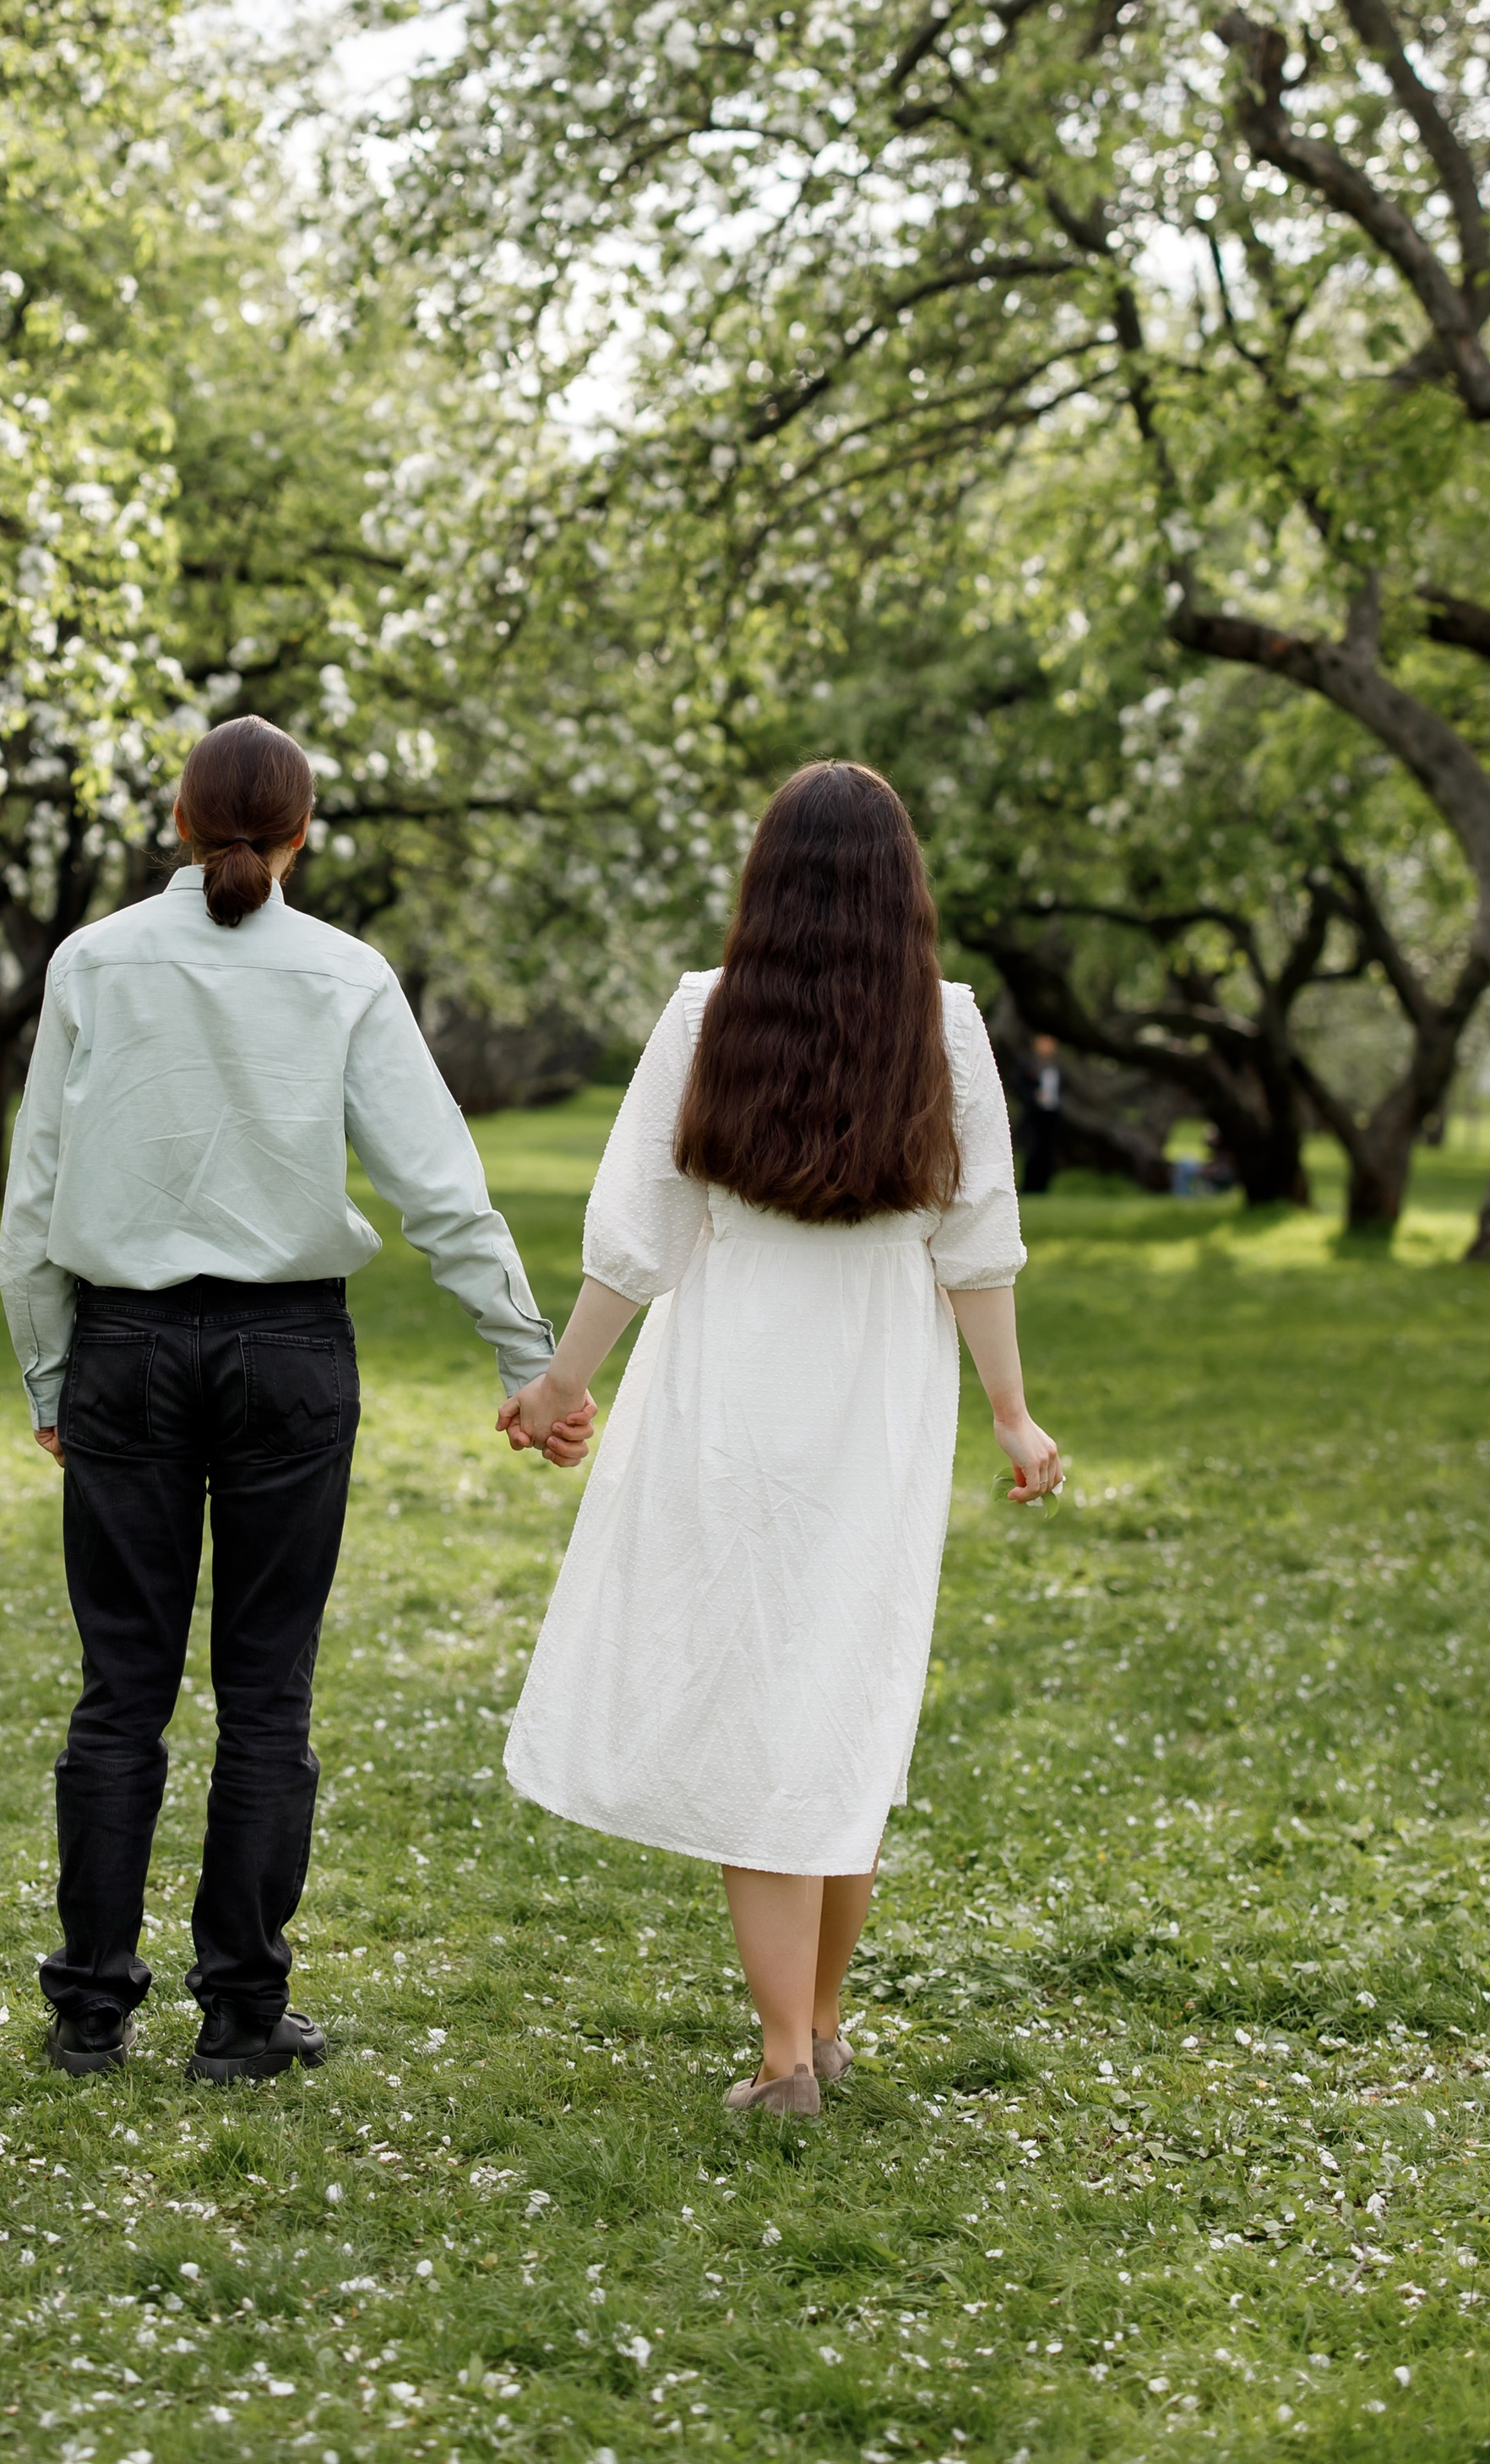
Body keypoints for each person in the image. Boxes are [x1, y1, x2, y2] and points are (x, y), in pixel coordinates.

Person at [0, 714, 556, 2085]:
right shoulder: (344, 973)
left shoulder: (92, 961)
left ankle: (90, 2012)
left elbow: (36, 1193)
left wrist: (51, 1368)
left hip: (126, 1348)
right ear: (303, 833)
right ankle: (243, 2014)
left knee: (120, 1690)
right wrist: (524, 1355)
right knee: (266, 1695)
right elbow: (439, 1184)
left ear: (179, 823)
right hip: (289, 1356)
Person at [498, 761, 1059, 2119]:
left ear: (769, 880)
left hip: (734, 1380)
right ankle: (817, 2027)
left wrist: (563, 1381)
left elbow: (640, 1230)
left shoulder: (708, 1011)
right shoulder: (948, 1024)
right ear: (902, 889)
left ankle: (787, 2057)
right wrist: (1010, 1410)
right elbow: (976, 1243)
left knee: (762, 1706)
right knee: (840, 1699)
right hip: (880, 1396)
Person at [1021, 1031, 1063, 1194]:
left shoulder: (1057, 1065)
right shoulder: (1028, 1063)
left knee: (1048, 1150)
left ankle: (1044, 1186)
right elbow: (1020, 1085)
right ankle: (1029, 1186)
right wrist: (1033, 1096)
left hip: (1052, 1113)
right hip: (1034, 1114)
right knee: (1033, 1149)